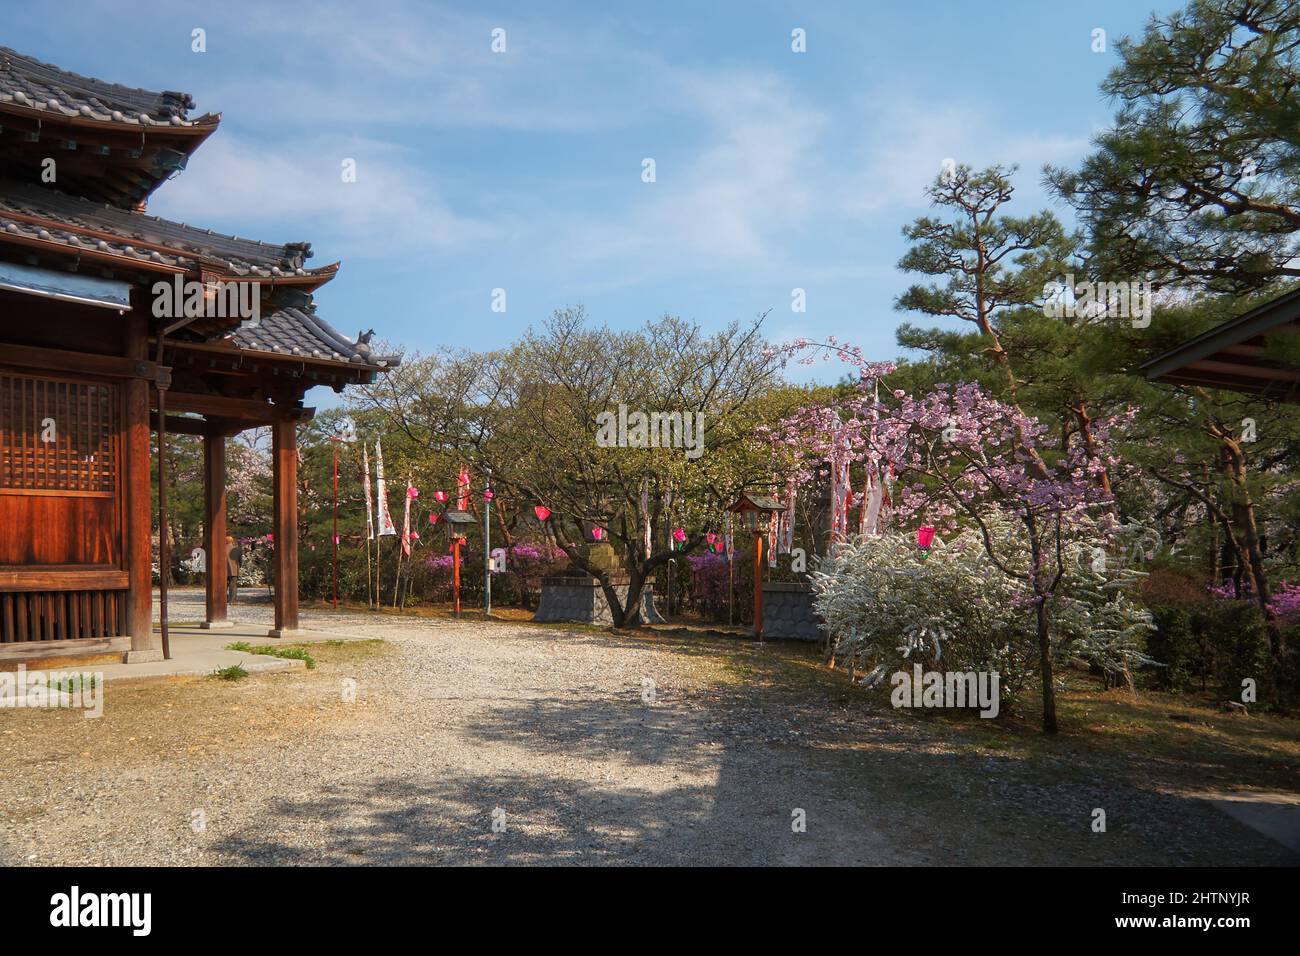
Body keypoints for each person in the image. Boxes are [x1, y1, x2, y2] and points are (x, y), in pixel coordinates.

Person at [227, 536, 242, 604]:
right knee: (233, 585)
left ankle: (222, 599)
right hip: (234, 570)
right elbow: (240, 560)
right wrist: (239, 567)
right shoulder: (237, 549)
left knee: (223, 585)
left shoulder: (220, 549)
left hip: (222, 570)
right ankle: (232, 600)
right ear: (232, 541)